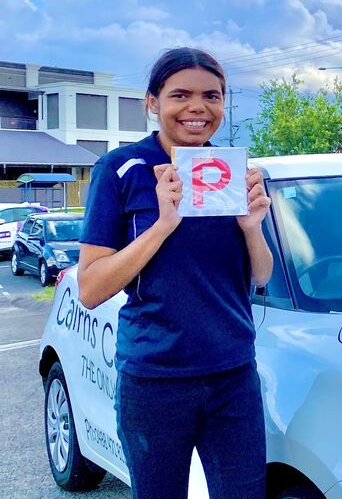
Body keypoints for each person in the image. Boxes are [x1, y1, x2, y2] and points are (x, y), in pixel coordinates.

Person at [78, 47, 273, 499]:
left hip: (234, 374)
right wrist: (163, 225)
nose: (197, 108)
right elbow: (91, 288)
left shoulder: (229, 172)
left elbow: (260, 276)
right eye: (180, 94)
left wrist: (251, 228)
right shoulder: (122, 170)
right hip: (154, 380)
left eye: (212, 95)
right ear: (152, 102)